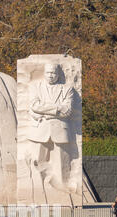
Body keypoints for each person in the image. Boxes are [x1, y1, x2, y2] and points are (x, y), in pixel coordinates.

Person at [27, 62, 76, 197]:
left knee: (62, 165)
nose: (51, 75)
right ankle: (38, 193)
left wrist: (45, 110)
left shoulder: (67, 89)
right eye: (48, 72)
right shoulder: (35, 86)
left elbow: (67, 111)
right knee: (37, 162)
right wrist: (56, 109)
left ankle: (63, 193)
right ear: (44, 73)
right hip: (40, 130)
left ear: (58, 74)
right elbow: (34, 106)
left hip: (61, 130)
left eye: (53, 73)